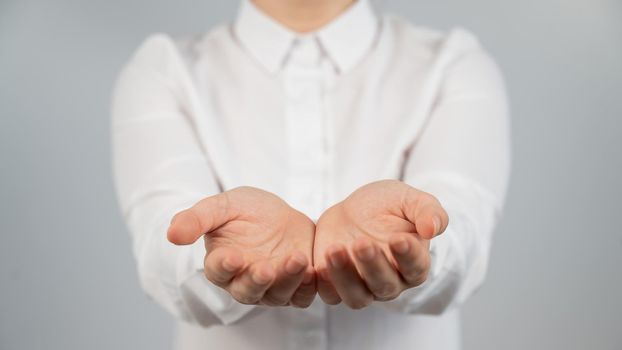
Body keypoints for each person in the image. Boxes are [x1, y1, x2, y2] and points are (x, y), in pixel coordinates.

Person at [111, 0, 511, 349]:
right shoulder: (166, 70)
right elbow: (163, 247)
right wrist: (222, 260)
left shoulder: (452, 64)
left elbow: (463, 231)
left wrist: (415, 247)